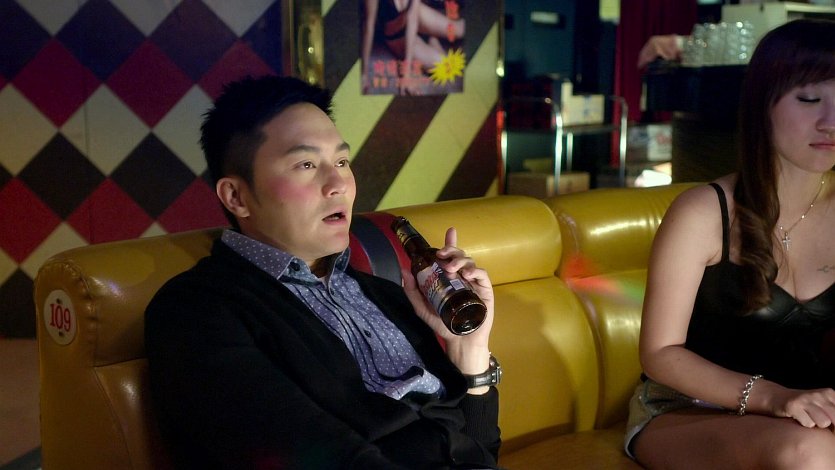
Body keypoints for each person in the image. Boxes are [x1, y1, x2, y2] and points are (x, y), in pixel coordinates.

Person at [144, 75, 501, 469]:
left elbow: (479, 450)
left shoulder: (385, 293)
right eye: (306, 164)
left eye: (342, 162)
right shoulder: (195, 310)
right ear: (237, 196)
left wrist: (469, 351)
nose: (338, 185)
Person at [625, 19, 835, 468]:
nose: (831, 122)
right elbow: (660, 353)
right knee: (809, 453)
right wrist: (773, 397)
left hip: (809, 414)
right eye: (810, 99)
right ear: (763, 105)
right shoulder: (703, 212)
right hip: (687, 412)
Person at [361, 0, 465, 95]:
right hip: (397, 36)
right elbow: (369, 26)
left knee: (459, 30)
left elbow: (412, 21)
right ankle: (431, 38)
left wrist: (406, 72)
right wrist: (364, 73)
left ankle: (429, 35)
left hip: (416, 18)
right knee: (447, 68)